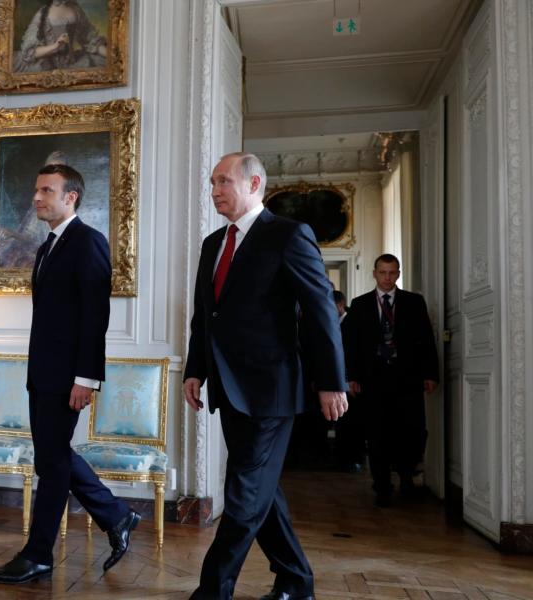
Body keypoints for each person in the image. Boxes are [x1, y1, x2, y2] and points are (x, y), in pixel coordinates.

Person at [183, 152, 348, 600]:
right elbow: (205, 316)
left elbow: (320, 314)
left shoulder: (289, 235)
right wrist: (194, 370)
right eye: (212, 182)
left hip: (273, 390)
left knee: (242, 494)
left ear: (253, 184)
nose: (214, 190)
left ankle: (213, 589)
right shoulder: (213, 243)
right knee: (261, 489)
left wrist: (332, 381)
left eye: (223, 182)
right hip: (228, 387)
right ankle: (297, 581)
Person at [0, 163, 139, 584]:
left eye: (46, 190)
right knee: (52, 460)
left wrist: (86, 378)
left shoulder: (89, 242)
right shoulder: (45, 248)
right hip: (45, 372)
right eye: (36, 190)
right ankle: (116, 516)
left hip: (69, 375)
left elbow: (95, 316)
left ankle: (39, 554)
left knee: (52, 462)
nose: (37, 197)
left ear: (70, 197)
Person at [341, 254, 439, 507]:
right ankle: (382, 484)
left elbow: (427, 339)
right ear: (374, 273)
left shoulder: (414, 302)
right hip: (373, 380)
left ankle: (407, 479)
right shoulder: (359, 304)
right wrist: (351, 376)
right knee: (377, 433)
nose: (387, 278)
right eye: (383, 272)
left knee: (411, 430)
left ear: (398, 274)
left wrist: (430, 373)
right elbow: (350, 345)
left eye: (392, 273)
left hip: (408, 379)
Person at [14, 0, 108, 73]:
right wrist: (55, 46)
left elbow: (90, 40)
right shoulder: (42, 14)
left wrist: (110, 55)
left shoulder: (76, 9)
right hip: (46, 65)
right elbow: (29, 52)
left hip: (74, 64)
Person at [331, 290, 365, 473]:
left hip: (352, 380)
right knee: (342, 422)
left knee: (354, 422)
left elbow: (356, 353)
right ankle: (342, 459)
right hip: (338, 380)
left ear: (341, 305)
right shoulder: (333, 323)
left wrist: (353, 377)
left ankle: (355, 459)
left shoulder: (353, 322)